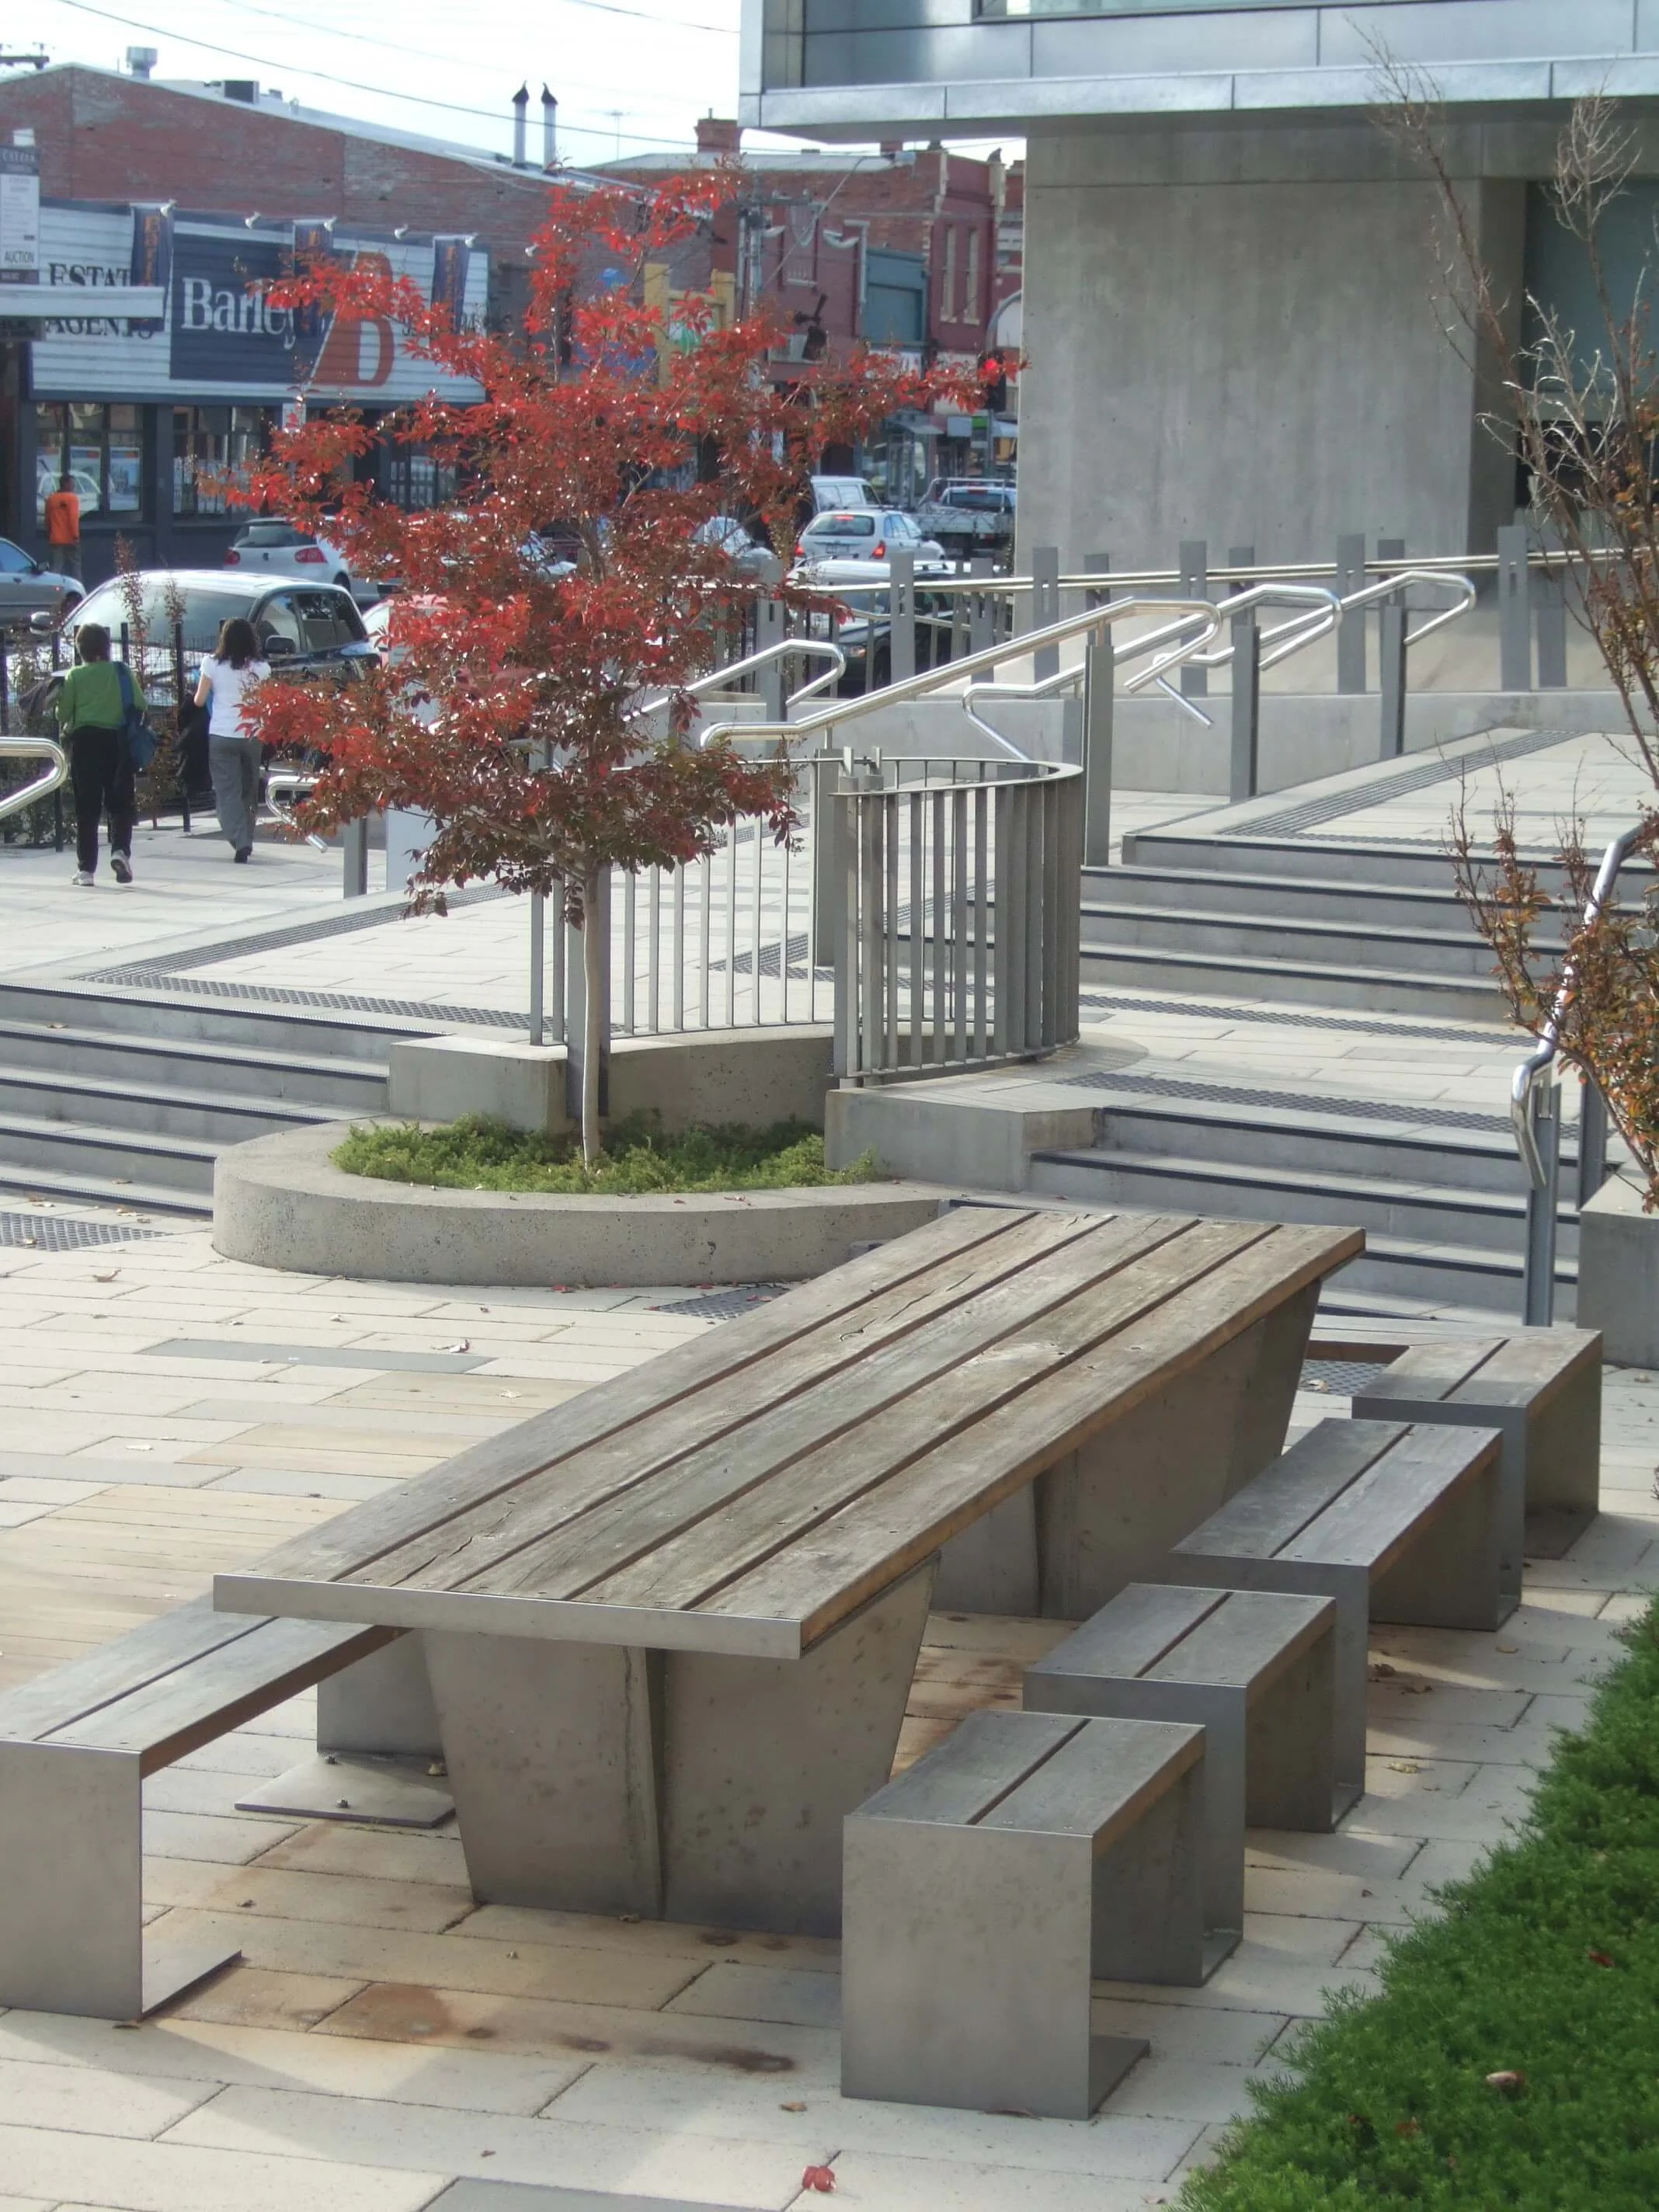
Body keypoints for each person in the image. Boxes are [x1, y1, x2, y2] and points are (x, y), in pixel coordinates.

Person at [54, 623, 141, 887]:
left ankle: (86, 870)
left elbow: (63, 715)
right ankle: (120, 852)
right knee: (121, 803)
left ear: (80, 650)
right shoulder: (121, 671)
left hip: (85, 744)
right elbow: (140, 704)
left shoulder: (75, 676)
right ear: (107, 646)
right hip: (117, 743)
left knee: (87, 809)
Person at [193, 617, 270, 862]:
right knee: (248, 790)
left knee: (227, 791)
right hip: (252, 734)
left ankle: (240, 840)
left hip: (222, 733)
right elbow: (266, 704)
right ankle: (247, 836)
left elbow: (199, 700)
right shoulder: (261, 668)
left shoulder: (211, 664)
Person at [43, 476, 81, 580]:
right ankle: (78, 590)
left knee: (56, 567)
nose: (74, 486)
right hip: (70, 539)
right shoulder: (72, 499)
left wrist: (50, 533)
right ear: (66, 484)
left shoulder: (51, 499)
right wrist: (75, 536)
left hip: (55, 538)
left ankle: (52, 589)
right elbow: (73, 519)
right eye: (72, 483)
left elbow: (47, 519)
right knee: (75, 566)